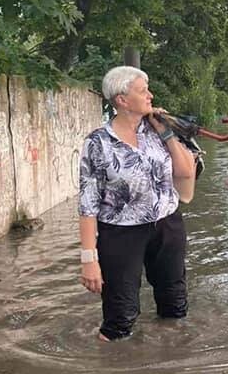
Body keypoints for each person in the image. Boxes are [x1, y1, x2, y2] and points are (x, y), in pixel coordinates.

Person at [78, 66, 197, 341]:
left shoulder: (158, 130)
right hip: (120, 233)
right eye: (143, 90)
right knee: (119, 319)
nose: (150, 95)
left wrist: (167, 133)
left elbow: (185, 172)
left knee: (175, 306)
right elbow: (87, 202)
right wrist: (88, 260)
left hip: (167, 225)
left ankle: (174, 369)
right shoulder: (98, 142)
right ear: (122, 99)